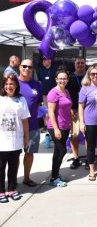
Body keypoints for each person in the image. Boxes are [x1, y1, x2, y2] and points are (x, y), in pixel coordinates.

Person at [0, 75, 30, 203]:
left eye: (11, 84)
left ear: (16, 85)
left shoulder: (21, 99)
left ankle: (11, 189)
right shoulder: (0, 99)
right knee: (0, 167)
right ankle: (1, 191)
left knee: (13, 166)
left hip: (15, 140)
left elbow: (24, 120)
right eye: (6, 84)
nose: (9, 86)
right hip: (2, 141)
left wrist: (26, 136)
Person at [18, 59, 43, 187]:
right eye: (24, 66)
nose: (27, 69)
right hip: (15, 127)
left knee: (29, 153)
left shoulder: (37, 84)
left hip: (32, 125)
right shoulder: (12, 82)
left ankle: (26, 178)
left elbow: (38, 103)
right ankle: (12, 180)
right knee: (13, 155)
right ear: (19, 67)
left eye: (30, 67)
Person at [47, 68, 72, 187]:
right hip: (55, 126)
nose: (62, 80)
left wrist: (70, 122)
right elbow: (51, 112)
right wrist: (56, 129)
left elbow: (67, 108)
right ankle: (53, 178)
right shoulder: (53, 92)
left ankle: (55, 176)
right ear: (56, 79)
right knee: (62, 150)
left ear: (67, 79)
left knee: (58, 152)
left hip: (65, 126)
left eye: (64, 78)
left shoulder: (66, 91)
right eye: (60, 78)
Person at [66, 57, 86, 170]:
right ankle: (76, 158)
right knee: (74, 135)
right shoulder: (70, 78)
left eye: (82, 63)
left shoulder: (89, 77)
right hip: (73, 110)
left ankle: (90, 159)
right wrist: (69, 109)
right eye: (78, 63)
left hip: (87, 110)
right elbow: (65, 94)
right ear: (74, 65)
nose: (80, 65)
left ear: (85, 64)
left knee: (88, 135)